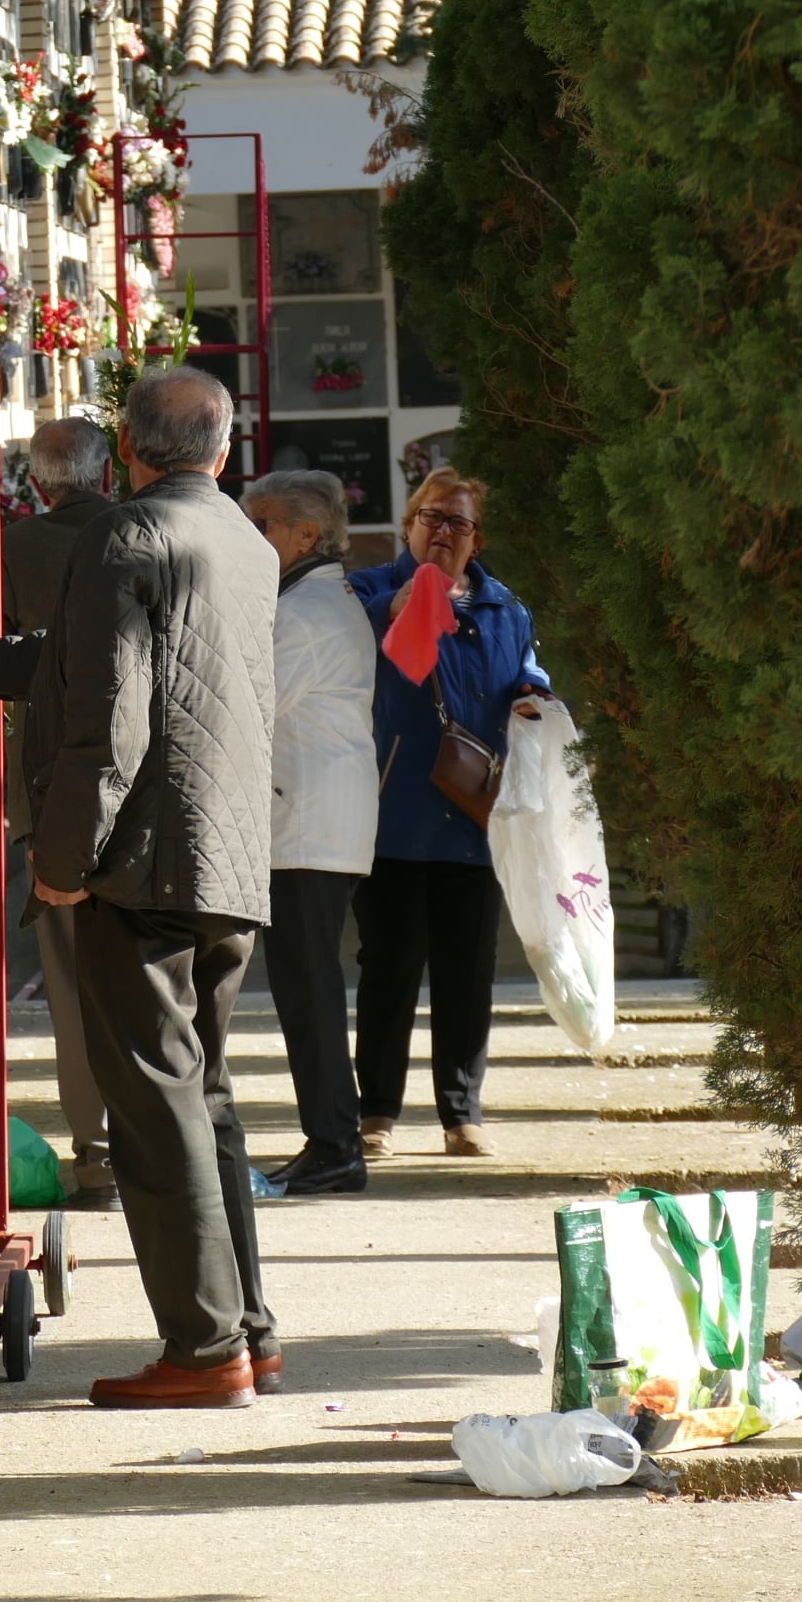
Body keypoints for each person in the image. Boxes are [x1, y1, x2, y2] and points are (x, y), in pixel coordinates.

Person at [0, 369, 282, 1410]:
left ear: (127, 450)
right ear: (223, 451)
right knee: (205, 1098)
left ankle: (204, 1350)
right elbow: (94, 661)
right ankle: (249, 1332)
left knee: (154, 1111)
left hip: (146, 860)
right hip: (227, 857)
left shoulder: (127, 535)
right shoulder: (246, 540)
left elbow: (108, 714)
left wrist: (61, 863)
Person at [344, 470, 548, 1160]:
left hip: (472, 816)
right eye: (431, 516)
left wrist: (535, 695)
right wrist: (391, 609)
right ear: (408, 525)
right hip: (392, 816)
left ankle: (463, 1114)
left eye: (458, 522)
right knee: (389, 969)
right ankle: (377, 1113)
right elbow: (342, 654)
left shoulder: (504, 608)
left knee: (467, 971)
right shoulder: (368, 592)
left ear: (475, 539)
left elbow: (528, 670)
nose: (442, 530)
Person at [240, 470, 380, 1196]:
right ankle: (332, 1142)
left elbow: (244, 706)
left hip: (307, 825)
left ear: (306, 535)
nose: (250, 536)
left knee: (309, 990)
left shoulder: (302, 612)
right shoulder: (313, 599)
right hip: (314, 821)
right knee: (307, 987)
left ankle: (335, 1147)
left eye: (261, 524)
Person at [0, 416, 118, 1202]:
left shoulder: (15, 548)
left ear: (38, 484)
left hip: (46, 790)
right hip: (141, 787)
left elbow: (1, 654)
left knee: (71, 986)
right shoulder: (140, 533)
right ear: (106, 472)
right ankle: (165, 1147)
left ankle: (97, 1157)